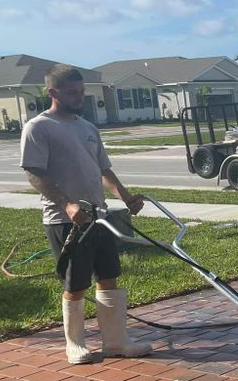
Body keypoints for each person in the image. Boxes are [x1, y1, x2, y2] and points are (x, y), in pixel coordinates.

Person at [20, 64, 151, 364]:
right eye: (72, 93)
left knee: (109, 277)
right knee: (76, 284)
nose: (79, 97)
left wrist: (126, 197)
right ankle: (74, 344)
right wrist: (67, 203)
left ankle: (116, 342)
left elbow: (104, 169)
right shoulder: (39, 127)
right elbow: (33, 173)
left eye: (81, 92)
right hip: (66, 220)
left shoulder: (87, 127)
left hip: (99, 217)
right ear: (53, 92)